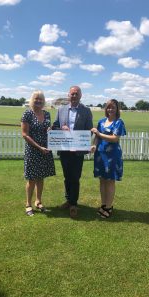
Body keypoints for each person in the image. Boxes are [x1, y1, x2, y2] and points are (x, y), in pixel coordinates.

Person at [52, 86, 93, 218]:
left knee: (75, 177)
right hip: (64, 149)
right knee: (67, 177)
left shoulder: (86, 111)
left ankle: (73, 204)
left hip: (78, 151)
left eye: (76, 94)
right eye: (72, 94)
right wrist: (60, 127)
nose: (74, 96)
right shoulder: (61, 109)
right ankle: (68, 200)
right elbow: (55, 125)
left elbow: (89, 130)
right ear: (68, 95)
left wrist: (80, 139)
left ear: (80, 96)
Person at [21, 90, 55, 216]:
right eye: (36, 98)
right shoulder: (27, 114)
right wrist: (38, 147)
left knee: (41, 178)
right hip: (33, 150)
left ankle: (38, 201)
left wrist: (50, 130)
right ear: (32, 100)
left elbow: (47, 129)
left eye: (41, 99)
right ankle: (28, 204)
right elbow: (25, 134)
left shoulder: (47, 114)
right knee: (32, 179)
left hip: (45, 150)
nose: (39, 101)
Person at [91, 99, 126, 218]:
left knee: (110, 181)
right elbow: (97, 138)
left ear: (117, 109)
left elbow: (115, 138)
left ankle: (109, 207)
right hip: (100, 155)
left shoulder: (119, 122)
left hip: (112, 156)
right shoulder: (101, 122)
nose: (110, 109)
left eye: (113, 107)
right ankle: (103, 204)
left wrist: (99, 134)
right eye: (108, 107)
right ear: (106, 109)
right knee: (102, 180)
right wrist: (94, 145)